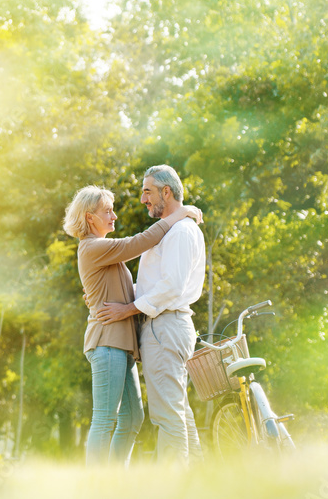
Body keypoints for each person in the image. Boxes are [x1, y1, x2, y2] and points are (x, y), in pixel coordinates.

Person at [63, 185, 202, 466]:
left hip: (120, 346)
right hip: (107, 342)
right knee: (105, 418)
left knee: (132, 418)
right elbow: (137, 243)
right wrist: (181, 214)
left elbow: (127, 293)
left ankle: (115, 482)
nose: (114, 215)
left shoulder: (102, 253)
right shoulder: (92, 247)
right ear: (90, 218)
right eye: (108, 211)